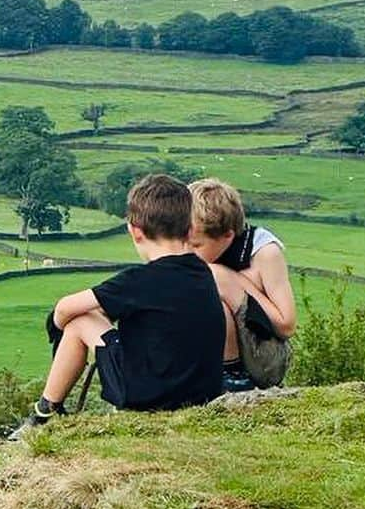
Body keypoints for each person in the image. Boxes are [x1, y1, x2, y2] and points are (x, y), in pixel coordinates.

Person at [24, 174, 224, 426]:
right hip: (200, 394)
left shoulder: (138, 280)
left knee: (80, 322)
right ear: (190, 229)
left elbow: (65, 308)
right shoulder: (202, 271)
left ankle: (45, 412)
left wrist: (56, 326)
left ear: (135, 231)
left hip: (149, 396)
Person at [188, 178, 295, 391]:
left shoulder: (264, 252)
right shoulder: (197, 251)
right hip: (202, 357)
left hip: (262, 358)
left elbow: (287, 325)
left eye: (196, 245)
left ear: (227, 235)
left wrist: (233, 282)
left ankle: (234, 377)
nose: (189, 252)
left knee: (215, 285)